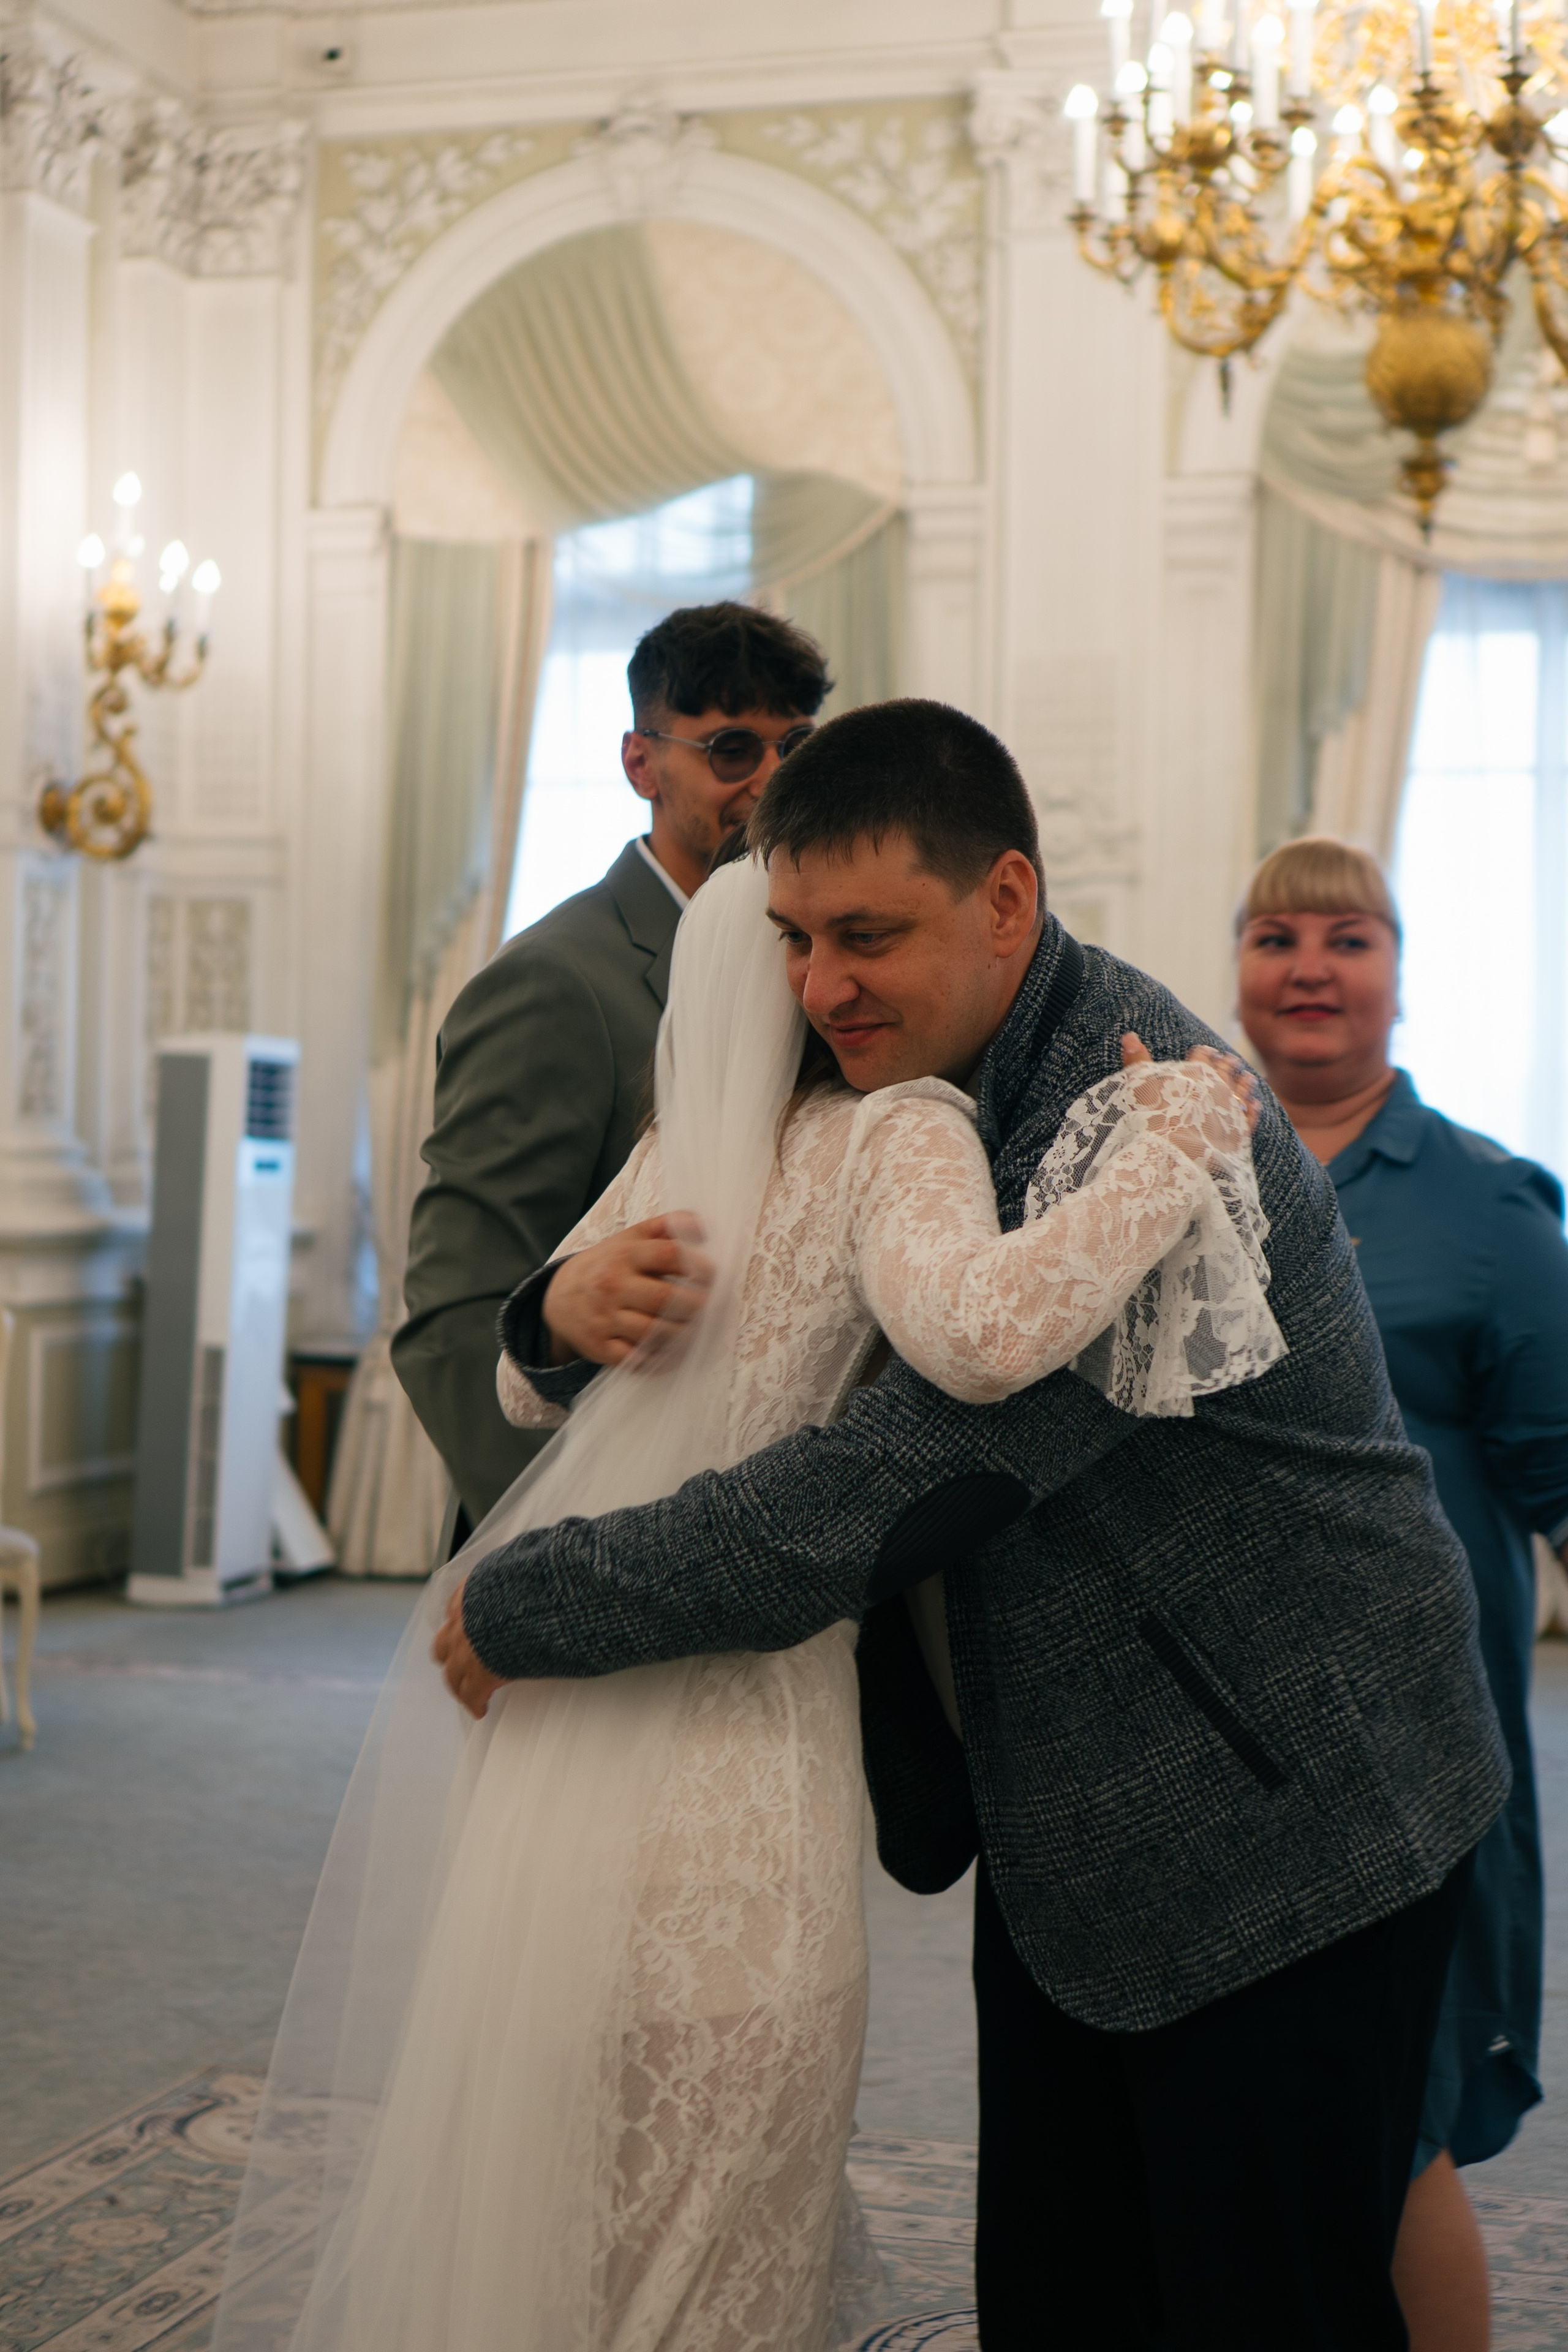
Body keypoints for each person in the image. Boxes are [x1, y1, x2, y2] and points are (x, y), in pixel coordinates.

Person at [437, 699, 1509, 2352]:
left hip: (1290, 1809)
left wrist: (535, 1600)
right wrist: (547, 1316)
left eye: (870, 937)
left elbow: (909, 1470)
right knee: (1072, 2300)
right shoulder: (899, 1087)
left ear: (1007, 900)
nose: (820, 988)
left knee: (1261, 2302)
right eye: (794, 938)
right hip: (1078, 1822)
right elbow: (721, 1303)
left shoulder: (1141, 1118)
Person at [214, 839, 1272, 2352]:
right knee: (721, 2208)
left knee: (569, 2182)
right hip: (735, 1743)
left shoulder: (677, 1150)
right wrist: (1170, 1147)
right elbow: (978, 1335)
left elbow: (524, 1395)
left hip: (569, 1740)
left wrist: (547, 1319)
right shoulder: (895, 1129)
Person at [1235, 834, 1568, 2352]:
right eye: (1276, 934)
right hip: (1207, 1754)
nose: (1309, 966)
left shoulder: (1492, 1213)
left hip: (1412, 1759)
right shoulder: (1159, 1181)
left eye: (1347, 938)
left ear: (1396, 974)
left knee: (1398, 2135)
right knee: (1247, 2141)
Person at [392, 599, 829, 1531]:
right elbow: (454, 1318)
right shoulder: (556, 982)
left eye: (795, 746)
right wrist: (570, 1556)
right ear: (643, 763)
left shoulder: (822, 963)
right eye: (731, 750)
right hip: (598, 1528)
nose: (770, 779)